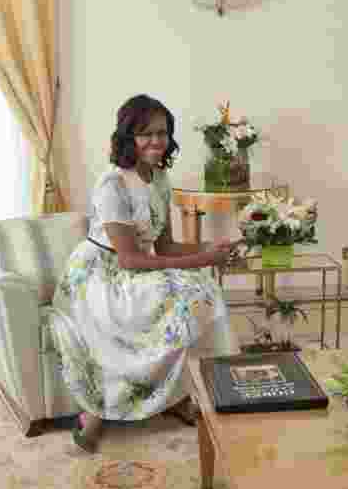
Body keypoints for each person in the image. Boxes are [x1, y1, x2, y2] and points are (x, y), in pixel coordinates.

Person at [49, 94, 241, 453]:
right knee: (190, 290)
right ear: (128, 137)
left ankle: (185, 391)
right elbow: (130, 259)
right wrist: (202, 260)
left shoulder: (159, 177)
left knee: (200, 290)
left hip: (132, 267)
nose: (156, 141)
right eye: (145, 133)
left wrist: (212, 249)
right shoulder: (113, 184)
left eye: (163, 133)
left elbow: (166, 246)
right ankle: (102, 407)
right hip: (99, 276)